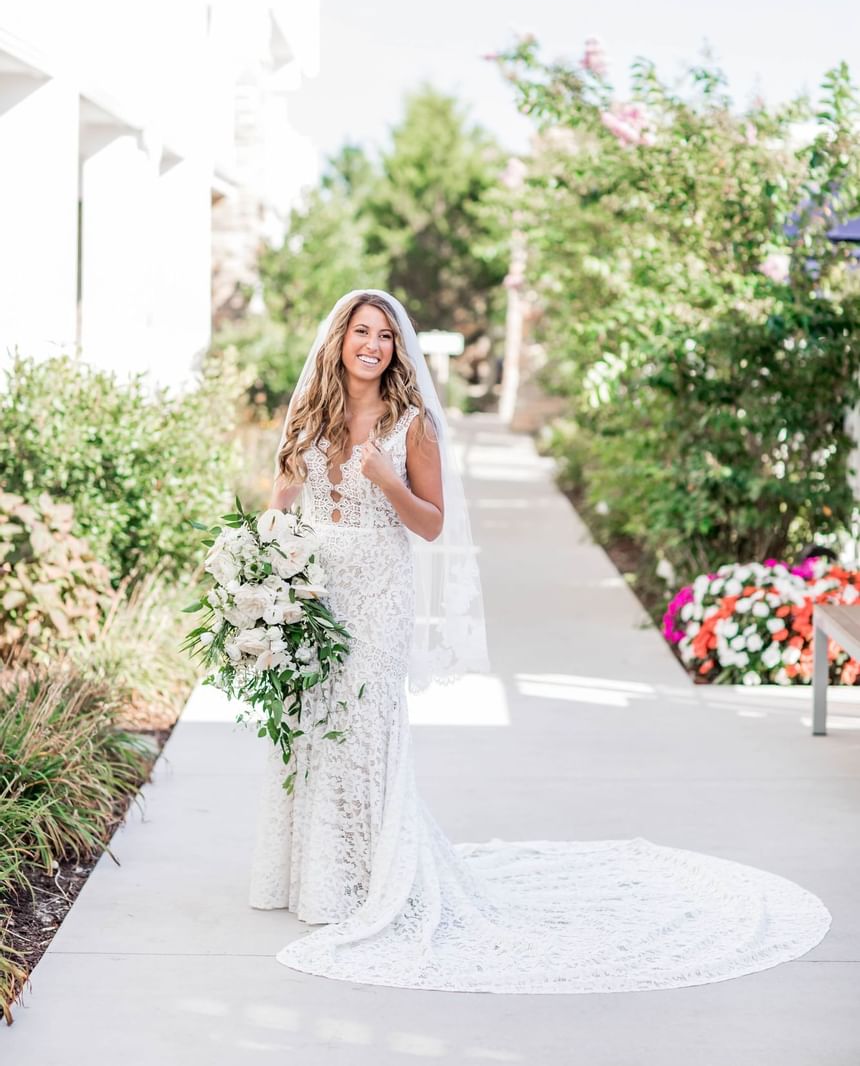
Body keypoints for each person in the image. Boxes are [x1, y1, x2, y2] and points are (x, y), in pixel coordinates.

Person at [247, 288, 831, 994]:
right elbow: (280, 502)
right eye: (361, 331)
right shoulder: (310, 412)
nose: (372, 344)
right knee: (315, 723)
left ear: (397, 350)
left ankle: (366, 881)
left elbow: (431, 525)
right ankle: (313, 878)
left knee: (367, 727)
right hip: (316, 590)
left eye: (385, 335)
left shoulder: (412, 425)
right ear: (340, 338)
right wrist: (257, 572)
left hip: (377, 592)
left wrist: (382, 476)